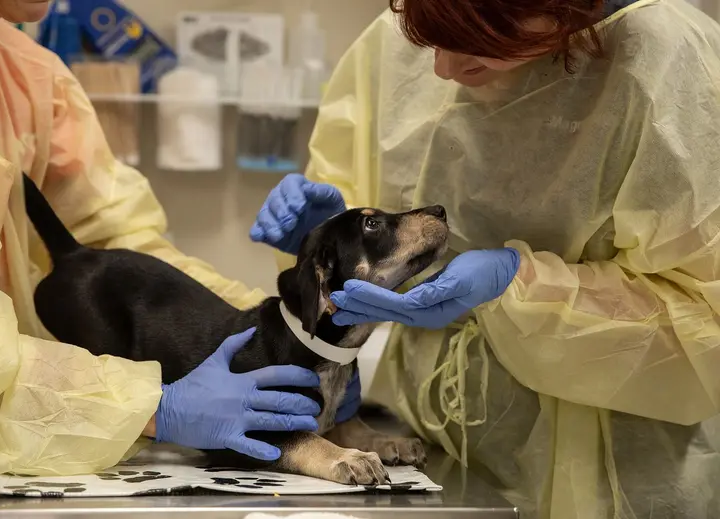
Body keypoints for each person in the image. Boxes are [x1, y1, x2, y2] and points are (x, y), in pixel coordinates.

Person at [251, 0, 720, 516]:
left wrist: (523, 286)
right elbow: (347, 279)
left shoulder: (668, 60)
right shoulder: (415, 26)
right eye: (429, 43)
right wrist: (327, 240)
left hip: (615, 471)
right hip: (428, 448)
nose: (443, 68)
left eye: (485, 42)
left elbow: (703, 325)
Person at [0, 0, 360, 482]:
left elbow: (122, 243)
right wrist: (148, 405)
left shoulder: (28, 74)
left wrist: (297, 336)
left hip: (4, 440)